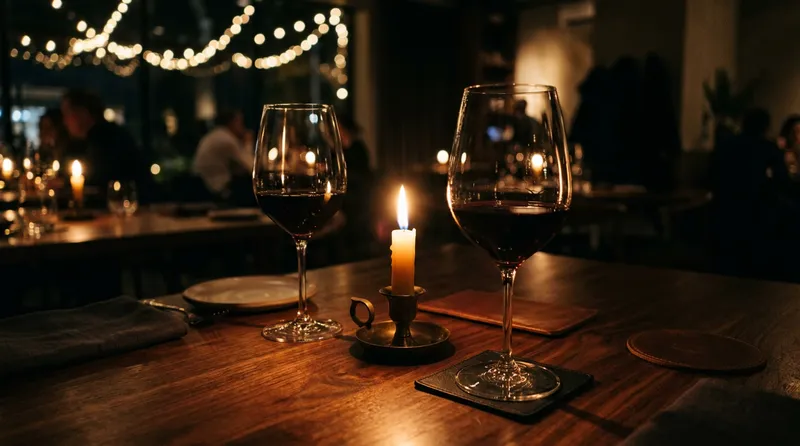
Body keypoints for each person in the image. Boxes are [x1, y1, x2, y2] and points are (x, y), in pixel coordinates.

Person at [61, 89, 152, 201]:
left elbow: (101, 184)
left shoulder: (107, 140)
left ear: (83, 113)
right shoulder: (89, 140)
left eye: (67, 114)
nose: (64, 121)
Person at [192, 110, 254, 202]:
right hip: (217, 189)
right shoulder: (226, 140)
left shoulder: (213, 135)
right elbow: (251, 167)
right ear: (233, 122)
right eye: (240, 122)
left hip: (202, 186)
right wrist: (248, 143)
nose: (243, 127)